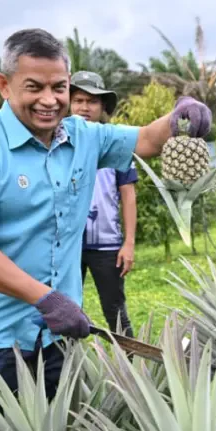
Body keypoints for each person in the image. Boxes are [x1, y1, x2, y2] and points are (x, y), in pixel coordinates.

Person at [0, 28, 211, 431]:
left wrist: (181, 114)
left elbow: (147, 139)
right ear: (4, 85)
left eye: (58, 87)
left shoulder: (84, 137)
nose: (49, 100)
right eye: (34, 87)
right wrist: (45, 298)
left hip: (58, 329)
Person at [68, 70, 136, 338]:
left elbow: (128, 194)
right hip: (67, 245)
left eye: (92, 101)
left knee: (116, 312)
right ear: (68, 104)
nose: (84, 107)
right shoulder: (56, 141)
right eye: (78, 100)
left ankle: (129, 361)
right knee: (65, 311)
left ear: (102, 107)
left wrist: (128, 243)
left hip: (107, 245)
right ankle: (66, 362)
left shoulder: (116, 144)